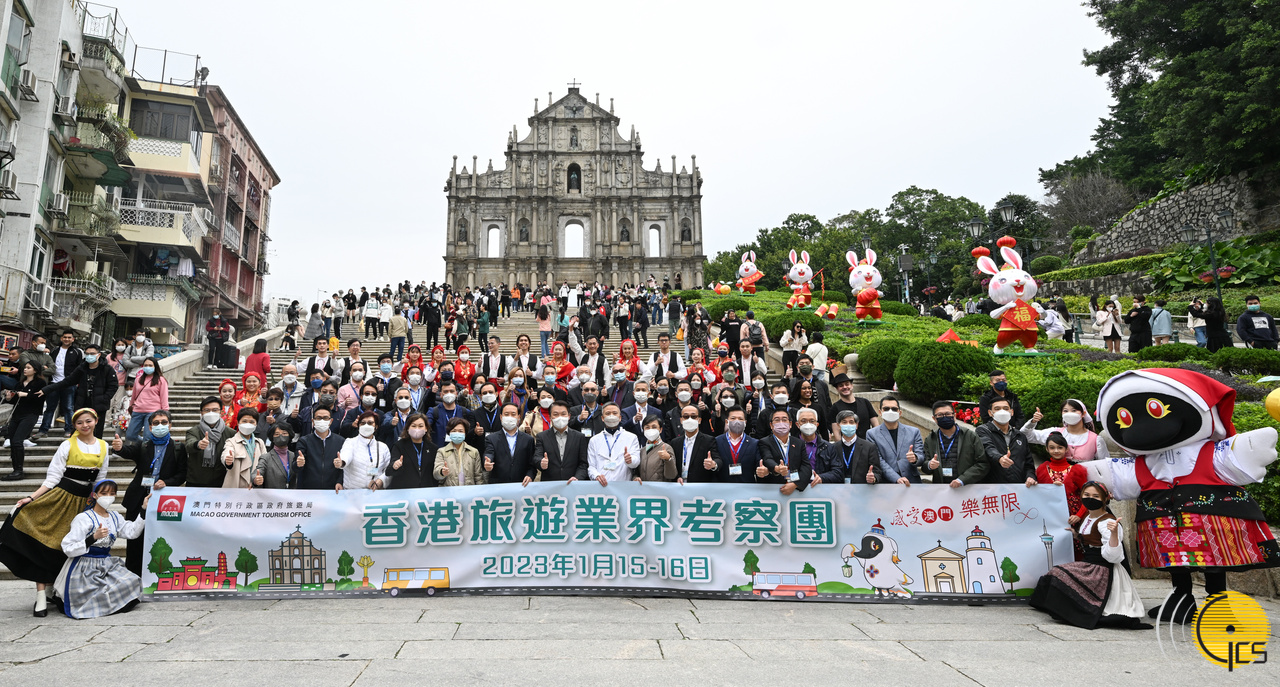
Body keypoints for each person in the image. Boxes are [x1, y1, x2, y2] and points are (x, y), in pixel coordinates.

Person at [0, 408, 109, 617]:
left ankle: (52, 590)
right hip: (60, 499)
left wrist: (99, 506)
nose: (84, 425)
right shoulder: (67, 445)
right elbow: (53, 477)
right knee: (45, 544)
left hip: (83, 504)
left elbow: (101, 480)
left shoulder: (103, 446)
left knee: (64, 549)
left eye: (88, 421)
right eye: (79, 422)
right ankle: (41, 595)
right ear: (74, 425)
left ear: (96, 421)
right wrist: (32, 498)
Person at [1029, 482, 1148, 629]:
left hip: (1103, 570)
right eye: (1086, 495)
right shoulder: (1088, 517)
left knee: (1059, 573)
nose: (1090, 498)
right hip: (1090, 564)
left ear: (1104, 499)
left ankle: (1071, 610)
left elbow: (1114, 557)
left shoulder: (1107, 522)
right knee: (1056, 573)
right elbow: (1091, 539)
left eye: (1096, 496)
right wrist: (1076, 535)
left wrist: (1114, 534)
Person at [53, 479, 146, 619]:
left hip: (106, 564)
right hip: (84, 566)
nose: (108, 496)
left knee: (133, 581)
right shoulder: (83, 518)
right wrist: (92, 538)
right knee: (87, 595)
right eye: (104, 493)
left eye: (112, 493)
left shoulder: (114, 517)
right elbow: (68, 547)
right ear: (95, 495)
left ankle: (104, 603)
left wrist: (143, 509)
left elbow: (132, 532)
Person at [919, 401, 988, 487]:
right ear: (934, 418)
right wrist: (929, 465)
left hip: (967, 488)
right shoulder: (930, 439)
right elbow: (924, 467)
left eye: (948, 414)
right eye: (940, 415)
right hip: (942, 488)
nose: (944, 417)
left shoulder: (970, 435)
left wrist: (962, 480)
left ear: (954, 416)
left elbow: (982, 464)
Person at [1020, 399, 1109, 463]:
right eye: (1065, 411)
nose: (1069, 413)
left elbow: (1105, 464)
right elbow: (1025, 436)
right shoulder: (1054, 433)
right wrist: (1033, 422)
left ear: (1083, 414)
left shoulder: (1095, 439)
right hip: (1058, 481)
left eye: (1074, 410)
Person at [976, 398, 1037, 487]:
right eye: (997, 409)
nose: (1002, 412)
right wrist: (999, 458)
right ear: (990, 413)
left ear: (1011, 412)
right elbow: (988, 447)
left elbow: (1028, 464)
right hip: (992, 488)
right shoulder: (983, 431)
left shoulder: (1020, 436)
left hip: (1018, 488)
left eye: (1005, 408)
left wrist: (1030, 476)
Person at [3, 362, 46, 480]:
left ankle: (19, 470)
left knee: (18, 441)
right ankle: (15, 469)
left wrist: (26, 394)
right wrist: (9, 397)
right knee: (12, 441)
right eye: (25, 368)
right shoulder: (20, 383)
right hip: (17, 414)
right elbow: (15, 400)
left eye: (28, 368)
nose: (25, 370)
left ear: (35, 370)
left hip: (30, 414)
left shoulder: (40, 383)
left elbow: (40, 399)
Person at [866, 396, 924, 486]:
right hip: (886, 484)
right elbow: (879, 460)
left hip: (912, 482)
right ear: (880, 412)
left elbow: (921, 455)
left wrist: (915, 458)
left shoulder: (914, 432)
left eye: (894, 409)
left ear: (900, 412)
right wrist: (896, 478)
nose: (890, 411)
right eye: (886, 409)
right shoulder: (871, 434)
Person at [815, 410, 883, 485]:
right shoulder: (832, 447)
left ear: (856, 425)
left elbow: (877, 471)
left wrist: (873, 478)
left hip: (861, 488)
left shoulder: (869, 447)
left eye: (851, 422)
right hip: (838, 488)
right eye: (844, 422)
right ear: (838, 426)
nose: (848, 425)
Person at [37, 331, 82, 439]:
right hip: (54, 383)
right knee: (50, 408)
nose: (67, 339)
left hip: (69, 384)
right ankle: (43, 430)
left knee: (68, 408)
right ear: (61, 338)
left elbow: (80, 368)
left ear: (73, 339)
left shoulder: (77, 352)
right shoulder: (55, 350)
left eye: (69, 337)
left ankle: (69, 430)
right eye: (65, 337)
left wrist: (76, 382)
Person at [1037, 431, 1089, 522]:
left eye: (1060, 448)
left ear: (1066, 449)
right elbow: (1038, 494)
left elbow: (1087, 494)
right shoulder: (1042, 469)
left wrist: (1079, 515)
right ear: (1047, 449)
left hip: (1073, 517)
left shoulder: (1076, 470)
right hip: (1050, 515)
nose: (1056, 451)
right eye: (1052, 448)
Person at [587, 403, 642, 486]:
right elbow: (591, 466)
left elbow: (636, 461)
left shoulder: (631, 437)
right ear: (602, 418)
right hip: (600, 486)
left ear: (620, 418)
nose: (611, 416)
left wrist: (630, 460)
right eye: (608, 413)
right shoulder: (594, 440)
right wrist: (596, 476)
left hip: (623, 486)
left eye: (615, 413)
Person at [756, 407, 809, 493]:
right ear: (771, 425)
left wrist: (796, 484)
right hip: (772, 489)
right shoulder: (764, 442)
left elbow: (806, 466)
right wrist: (777, 468)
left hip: (795, 490)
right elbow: (767, 458)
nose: (781, 423)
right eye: (777, 420)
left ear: (790, 424)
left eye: (784, 420)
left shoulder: (799, 443)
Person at [533, 401, 588, 482]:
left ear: (569, 416)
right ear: (550, 417)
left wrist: (577, 477)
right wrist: (541, 463)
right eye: (555, 414)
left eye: (563, 414)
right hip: (549, 484)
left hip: (572, 484)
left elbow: (583, 463)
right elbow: (537, 457)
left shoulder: (579, 437)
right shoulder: (542, 437)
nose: (560, 417)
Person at [336, 411, 391, 491]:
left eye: (370, 423)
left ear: (376, 426)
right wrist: (342, 462)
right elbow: (346, 455)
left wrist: (381, 481)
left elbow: (388, 470)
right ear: (358, 426)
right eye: (363, 423)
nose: (366, 426)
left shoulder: (383, 447)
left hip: (375, 492)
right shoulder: (350, 442)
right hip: (352, 492)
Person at [483, 403, 536, 485]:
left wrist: (530, 475)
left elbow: (532, 463)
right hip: (499, 485)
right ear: (501, 417)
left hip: (522, 485)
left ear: (519, 417)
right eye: (506, 414)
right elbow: (489, 453)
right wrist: (488, 462)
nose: (510, 417)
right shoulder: (491, 438)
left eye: (513, 414)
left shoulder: (528, 439)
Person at [221, 408, 266, 489]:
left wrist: (256, 479)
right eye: (244, 421)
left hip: (255, 485)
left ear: (256, 424)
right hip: (236, 485)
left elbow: (264, 463)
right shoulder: (231, 441)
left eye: (251, 422)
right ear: (238, 422)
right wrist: (228, 460)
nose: (248, 424)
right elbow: (227, 452)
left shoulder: (259, 443)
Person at [126, 358, 168, 442]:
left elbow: (164, 397)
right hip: (137, 411)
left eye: (150, 365)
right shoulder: (138, 379)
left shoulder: (161, 380)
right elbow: (134, 396)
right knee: (130, 435)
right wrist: (130, 407)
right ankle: (144, 444)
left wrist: (165, 412)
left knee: (147, 436)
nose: (148, 367)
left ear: (155, 367)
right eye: (145, 365)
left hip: (153, 412)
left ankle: (145, 447)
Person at [435, 418, 485, 486]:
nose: (457, 433)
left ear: (465, 433)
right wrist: (442, 472)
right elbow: (436, 474)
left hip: (469, 490)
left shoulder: (474, 452)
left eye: (461, 431)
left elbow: (478, 477)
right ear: (449, 433)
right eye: (454, 431)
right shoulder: (442, 451)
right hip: (448, 490)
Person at [827, 373, 878, 440]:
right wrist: (840, 446)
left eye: (847, 384)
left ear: (852, 385)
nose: (845, 387)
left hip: (867, 443)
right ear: (837, 389)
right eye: (841, 385)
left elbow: (875, 425)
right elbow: (836, 432)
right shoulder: (835, 408)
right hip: (847, 444)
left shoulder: (865, 402)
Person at [716, 407, 759, 483]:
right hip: (723, 485)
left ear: (745, 422)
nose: (737, 421)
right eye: (733, 418)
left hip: (746, 485)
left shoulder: (754, 443)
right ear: (727, 421)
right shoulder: (717, 441)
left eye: (740, 419)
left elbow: (758, 465)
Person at [253, 423, 299, 489]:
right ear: (272, 438)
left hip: (292, 494)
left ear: (290, 436)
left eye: (284, 433)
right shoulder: (266, 457)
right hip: (272, 495)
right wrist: (256, 479)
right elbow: (258, 471)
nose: (281, 436)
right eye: (277, 434)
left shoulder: (294, 456)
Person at [634, 415, 677, 483]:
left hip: (659, 488)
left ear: (660, 429)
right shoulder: (642, 450)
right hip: (643, 488)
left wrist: (668, 459)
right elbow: (636, 472)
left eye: (654, 427)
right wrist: (636, 477)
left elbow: (671, 475)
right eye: (647, 427)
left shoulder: (666, 448)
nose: (650, 430)